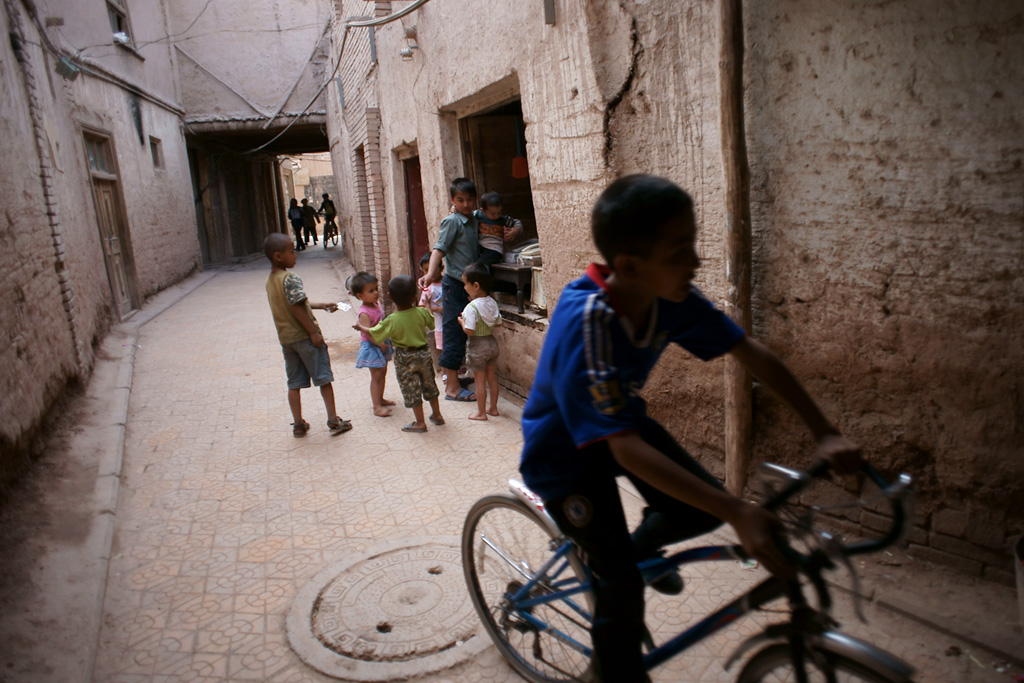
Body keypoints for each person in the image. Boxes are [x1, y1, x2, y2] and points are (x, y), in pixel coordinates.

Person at [518, 175, 861, 682]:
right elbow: (628, 451)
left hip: (620, 427)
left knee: (701, 509)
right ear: (631, 267)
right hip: (564, 459)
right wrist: (739, 511)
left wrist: (824, 431)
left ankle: (633, 556)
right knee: (621, 590)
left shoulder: (670, 297)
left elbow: (749, 353)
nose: (696, 262)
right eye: (681, 250)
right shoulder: (588, 319)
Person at [263, 232, 352, 437]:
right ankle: (333, 419)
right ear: (278, 256)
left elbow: (296, 303)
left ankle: (298, 424)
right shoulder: (290, 278)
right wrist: (313, 333)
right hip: (304, 337)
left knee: (294, 383)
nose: (295, 256)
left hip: (287, 340)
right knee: (323, 378)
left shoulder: (271, 280)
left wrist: (321, 305)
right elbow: (296, 306)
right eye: (292, 252)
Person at [354, 275, 445, 433]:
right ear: (414, 297)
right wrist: (427, 305)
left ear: (389, 297)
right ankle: (437, 415)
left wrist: (361, 328)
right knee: (429, 384)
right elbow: (431, 323)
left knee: (411, 389)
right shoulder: (421, 313)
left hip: (404, 357)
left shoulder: (391, 320)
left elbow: (375, 332)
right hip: (423, 354)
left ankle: (420, 422)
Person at [418, 177, 479, 402]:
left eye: (469, 199)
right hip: (453, 285)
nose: (465, 204)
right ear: (452, 200)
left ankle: (454, 378)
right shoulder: (452, 221)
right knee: (453, 333)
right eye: (460, 200)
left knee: (463, 333)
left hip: (467, 285)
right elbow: (438, 249)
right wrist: (431, 274)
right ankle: (451, 388)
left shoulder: (472, 219)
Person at [457, 262, 502, 420]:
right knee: (491, 377)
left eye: (465, 284)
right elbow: (499, 322)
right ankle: (493, 408)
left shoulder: (471, 307)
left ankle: (481, 413)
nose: (464, 287)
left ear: (475, 285)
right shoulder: (492, 302)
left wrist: (462, 321)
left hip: (478, 345)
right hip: (491, 343)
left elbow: (469, 330)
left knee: (479, 381)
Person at [350, 271, 396, 418]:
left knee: (382, 372)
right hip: (372, 346)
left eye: (376, 288)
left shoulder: (377, 304)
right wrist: (380, 344)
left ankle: (380, 398)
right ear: (360, 296)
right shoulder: (364, 312)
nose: (376, 292)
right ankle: (376, 406)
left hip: (382, 343)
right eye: (371, 291)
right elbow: (368, 333)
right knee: (376, 375)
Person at [474, 191, 523, 268]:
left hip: (494, 250)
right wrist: (454, 210)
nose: (496, 216)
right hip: (479, 247)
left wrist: (515, 230)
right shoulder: (478, 214)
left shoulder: (503, 220)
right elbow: (465, 215)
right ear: (483, 210)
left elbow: (518, 222)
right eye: (492, 214)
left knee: (480, 265)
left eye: (499, 213)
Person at [418, 252, 444, 374]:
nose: (429, 274)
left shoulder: (447, 283)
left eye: (432, 269)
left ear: (441, 268)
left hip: (451, 321)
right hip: (438, 324)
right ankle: (445, 372)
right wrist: (437, 309)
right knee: (441, 348)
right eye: (426, 270)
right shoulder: (427, 288)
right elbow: (423, 306)